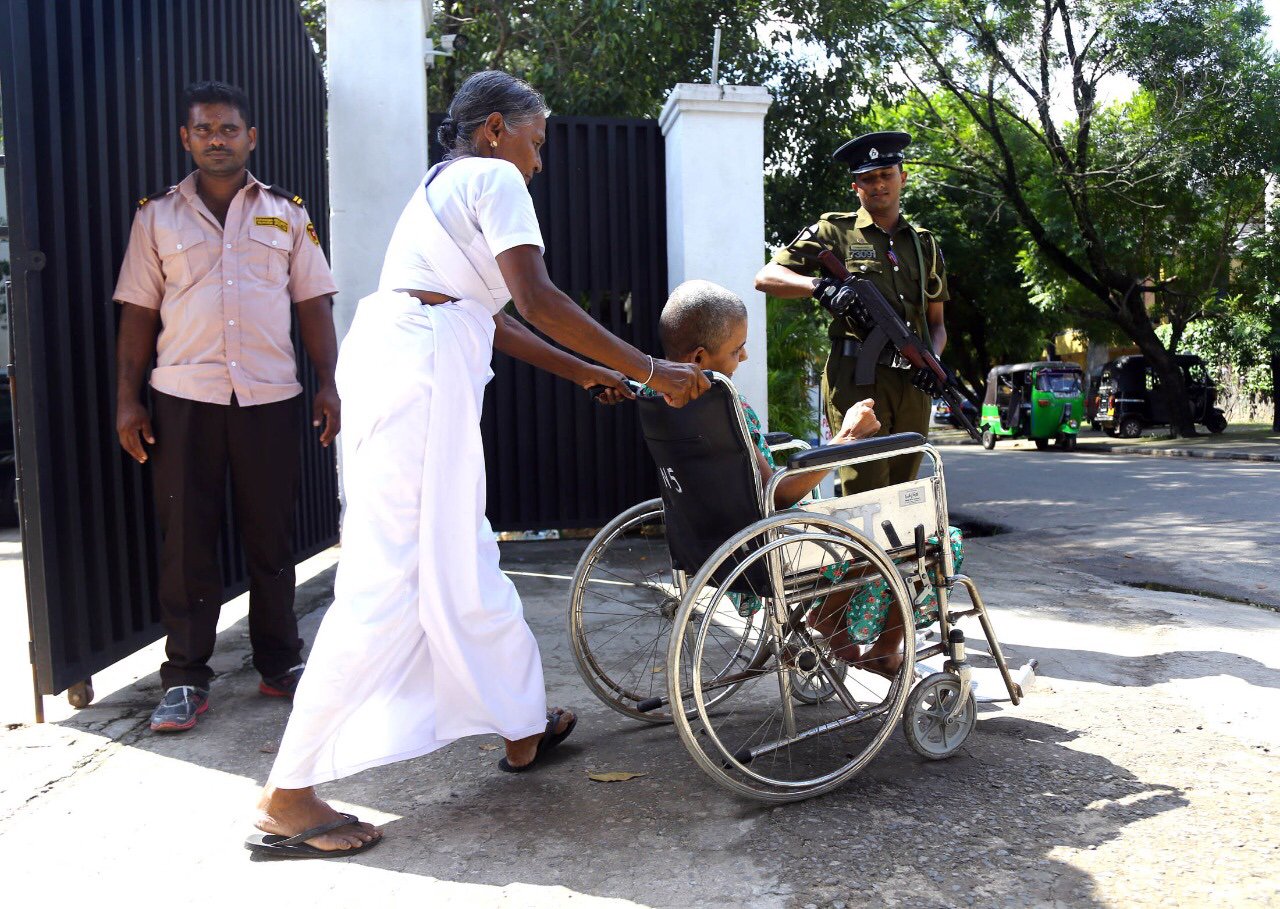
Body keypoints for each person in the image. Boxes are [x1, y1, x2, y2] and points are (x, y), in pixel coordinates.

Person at [248, 71, 707, 858]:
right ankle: (288, 794)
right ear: (496, 128)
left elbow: (491, 319)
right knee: (390, 577)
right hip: (418, 376)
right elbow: (538, 299)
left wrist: (585, 370)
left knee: (463, 559)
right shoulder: (493, 176)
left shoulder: (446, 186)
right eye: (537, 140)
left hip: (419, 365)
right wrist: (647, 370)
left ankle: (523, 725)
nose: (539, 162)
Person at [113, 81, 341, 734]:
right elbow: (137, 312)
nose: (218, 138)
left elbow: (313, 303)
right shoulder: (157, 217)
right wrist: (127, 399)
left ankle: (279, 662)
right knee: (185, 542)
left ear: (251, 137)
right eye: (205, 129)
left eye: (229, 128)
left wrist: (329, 381)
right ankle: (185, 676)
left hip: (269, 397)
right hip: (183, 398)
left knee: (272, 537)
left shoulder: (285, 214)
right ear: (186, 138)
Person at [755, 131, 949, 495]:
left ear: (902, 177)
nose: (879, 185)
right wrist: (820, 286)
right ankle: (857, 554)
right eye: (868, 178)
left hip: (912, 384)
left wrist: (933, 360)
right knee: (865, 491)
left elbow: (936, 323)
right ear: (855, 186)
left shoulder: (924, 244)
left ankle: (890, 556)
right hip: (857, 380)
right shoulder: (834, 231)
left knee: (902, 493)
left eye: (886, 174)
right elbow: (766, 277)